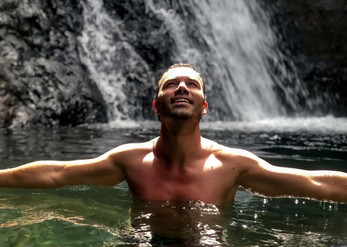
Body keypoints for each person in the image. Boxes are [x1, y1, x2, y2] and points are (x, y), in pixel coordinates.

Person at [0, 63, 346, 207]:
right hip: (139, 245)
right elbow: (57, 173)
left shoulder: (234, 166)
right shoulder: (129, 160)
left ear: (204, 106)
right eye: (172, 85)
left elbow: (316, 184)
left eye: (191, 84)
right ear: (156, 104)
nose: (182, 87)